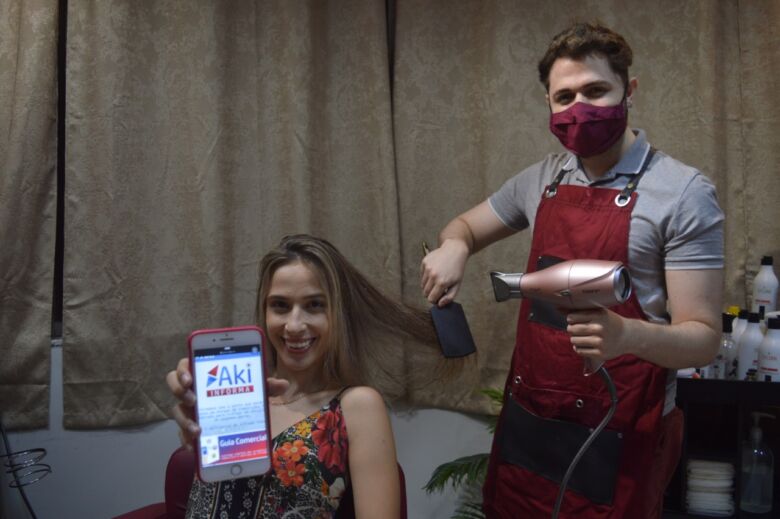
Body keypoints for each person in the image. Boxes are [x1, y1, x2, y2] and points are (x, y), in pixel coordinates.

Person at [420, 22, 724, 519]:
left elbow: (704, 339)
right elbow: (466, 227)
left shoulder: (683, 193)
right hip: (532, 423)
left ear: (629, 90)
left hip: (620, 428)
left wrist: (627, 335)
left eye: (596, 90)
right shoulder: (540, 179)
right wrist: (455, 245)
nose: (579, 108)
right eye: (564, 97)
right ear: (549, 103)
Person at [169, 234, 442, 519]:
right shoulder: (239, 397)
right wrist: (194, 417)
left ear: (337, 313)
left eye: (314, 305)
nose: (294, 325)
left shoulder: (356, 405)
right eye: (280, 305)